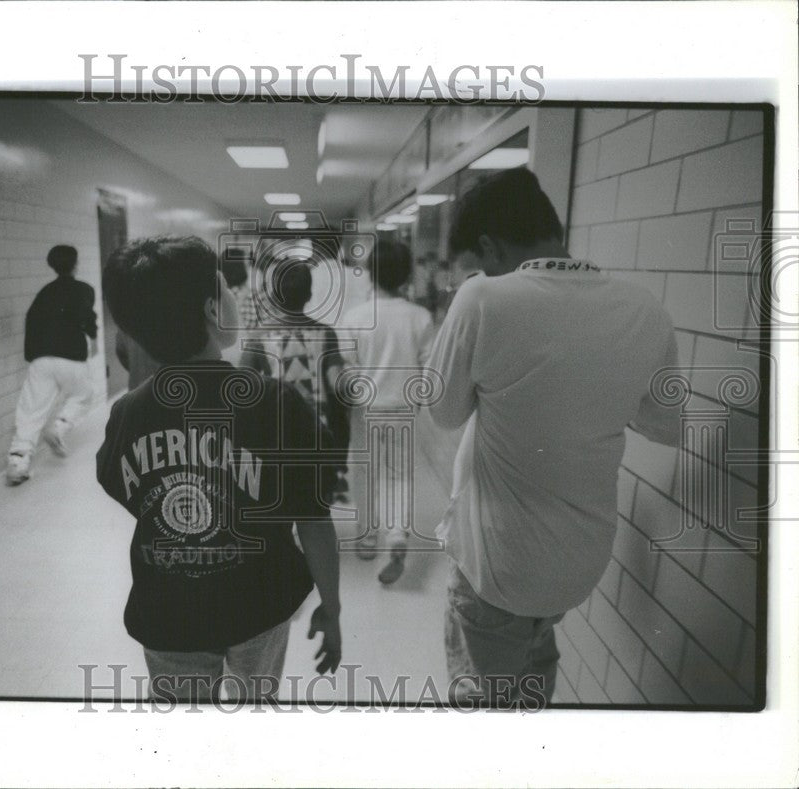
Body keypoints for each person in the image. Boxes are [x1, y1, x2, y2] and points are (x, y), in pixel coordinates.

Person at [426, 167, 680, 706]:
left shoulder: (483, 300)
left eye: (478, 263)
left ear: (490, 245)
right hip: (578, 563)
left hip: (499, 564)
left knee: (486, 703)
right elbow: (664, 424)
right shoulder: (645, 308)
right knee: (535, 653)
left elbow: (444, 411)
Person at [96, 236, 342, 702]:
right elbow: (314, 523)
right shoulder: (276, 404)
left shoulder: (128, 412)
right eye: (225, 287)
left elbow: (129, 491)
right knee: (255, 706)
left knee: (182, 729)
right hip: (260, 602)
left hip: (168, 610)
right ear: (213, 308)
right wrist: (331, 607)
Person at [338, 239, 436, 585]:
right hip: (402, 410)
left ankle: (367, 536)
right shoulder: (419, 316)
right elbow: (428, 368)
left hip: (366, 408)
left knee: (365, 474)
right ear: (406, 275)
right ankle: (396, 536)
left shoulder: (354, 317)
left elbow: (347, 369)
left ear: (371, 274)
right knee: (399, 475)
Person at [239, 257, 348, 504]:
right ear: (309, 294)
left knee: (279, 499)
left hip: (275, 431)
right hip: (319, 433)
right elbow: (336, 384)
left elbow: (242, 386)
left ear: (274, 295)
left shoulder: (258, 336)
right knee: (316, 504)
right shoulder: (326, 333)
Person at [7, 245, 97, 485]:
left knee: (31, 411)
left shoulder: (44, 292)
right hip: (71, 356)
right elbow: (87, 317)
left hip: (41, 359)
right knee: (83, 395)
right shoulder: (83, 289)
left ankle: (18, 462)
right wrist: (93, 337)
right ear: (76, 264)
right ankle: (59, 426)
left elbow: (31, 321)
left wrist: (34, 358)